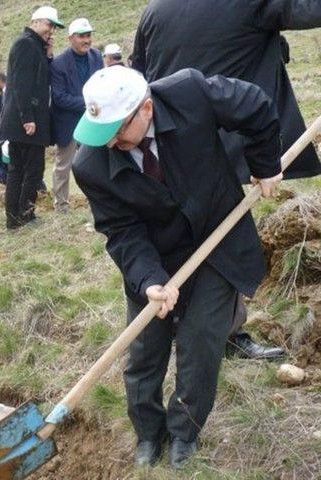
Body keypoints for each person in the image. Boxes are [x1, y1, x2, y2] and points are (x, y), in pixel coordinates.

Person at [72, 66, 283, 469]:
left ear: (146, 109)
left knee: (201, 340)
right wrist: (150, 281)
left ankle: (185, 431)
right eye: (102, 132)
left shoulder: (189, 93)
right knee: (145, 350)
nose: (111, 142)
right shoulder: (90, 166)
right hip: (156, 254)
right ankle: (149, 434)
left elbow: (255, 106)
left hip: (218, 237)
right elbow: (121, 230)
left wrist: (265, 163)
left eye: (117, 130)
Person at [130, 0, 321, 360]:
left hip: (161, 141)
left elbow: (136, 72)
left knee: (182, 231)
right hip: (222, 137)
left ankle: (179, 320)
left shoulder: (154, 11)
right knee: (222, 239)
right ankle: (219, 332)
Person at [0, 6, 64, 229]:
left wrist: (49, 54)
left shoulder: (35, 45)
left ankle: (15, 219)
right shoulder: (26, 44)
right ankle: (23, 216)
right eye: (49, 24)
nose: (51, 30)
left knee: (20, 170)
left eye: (54, 27)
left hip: (25, 119)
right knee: (30, 171)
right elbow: (21, 85)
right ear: (35, 22)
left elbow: (40, 78)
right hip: (25, 121)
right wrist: (27, 118)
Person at [50, 18, 103, 213]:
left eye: (89, 35)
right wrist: (88, 103)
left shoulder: (97, 56)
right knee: (64, 165)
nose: (86, 40)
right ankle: (61, 205)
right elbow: (59, 98)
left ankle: (98, 200)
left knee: (97, 161)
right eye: (82, 36)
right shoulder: (58, 64)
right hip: (68, 122)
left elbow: (102, 84)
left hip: (94, 119)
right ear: (71, 38)